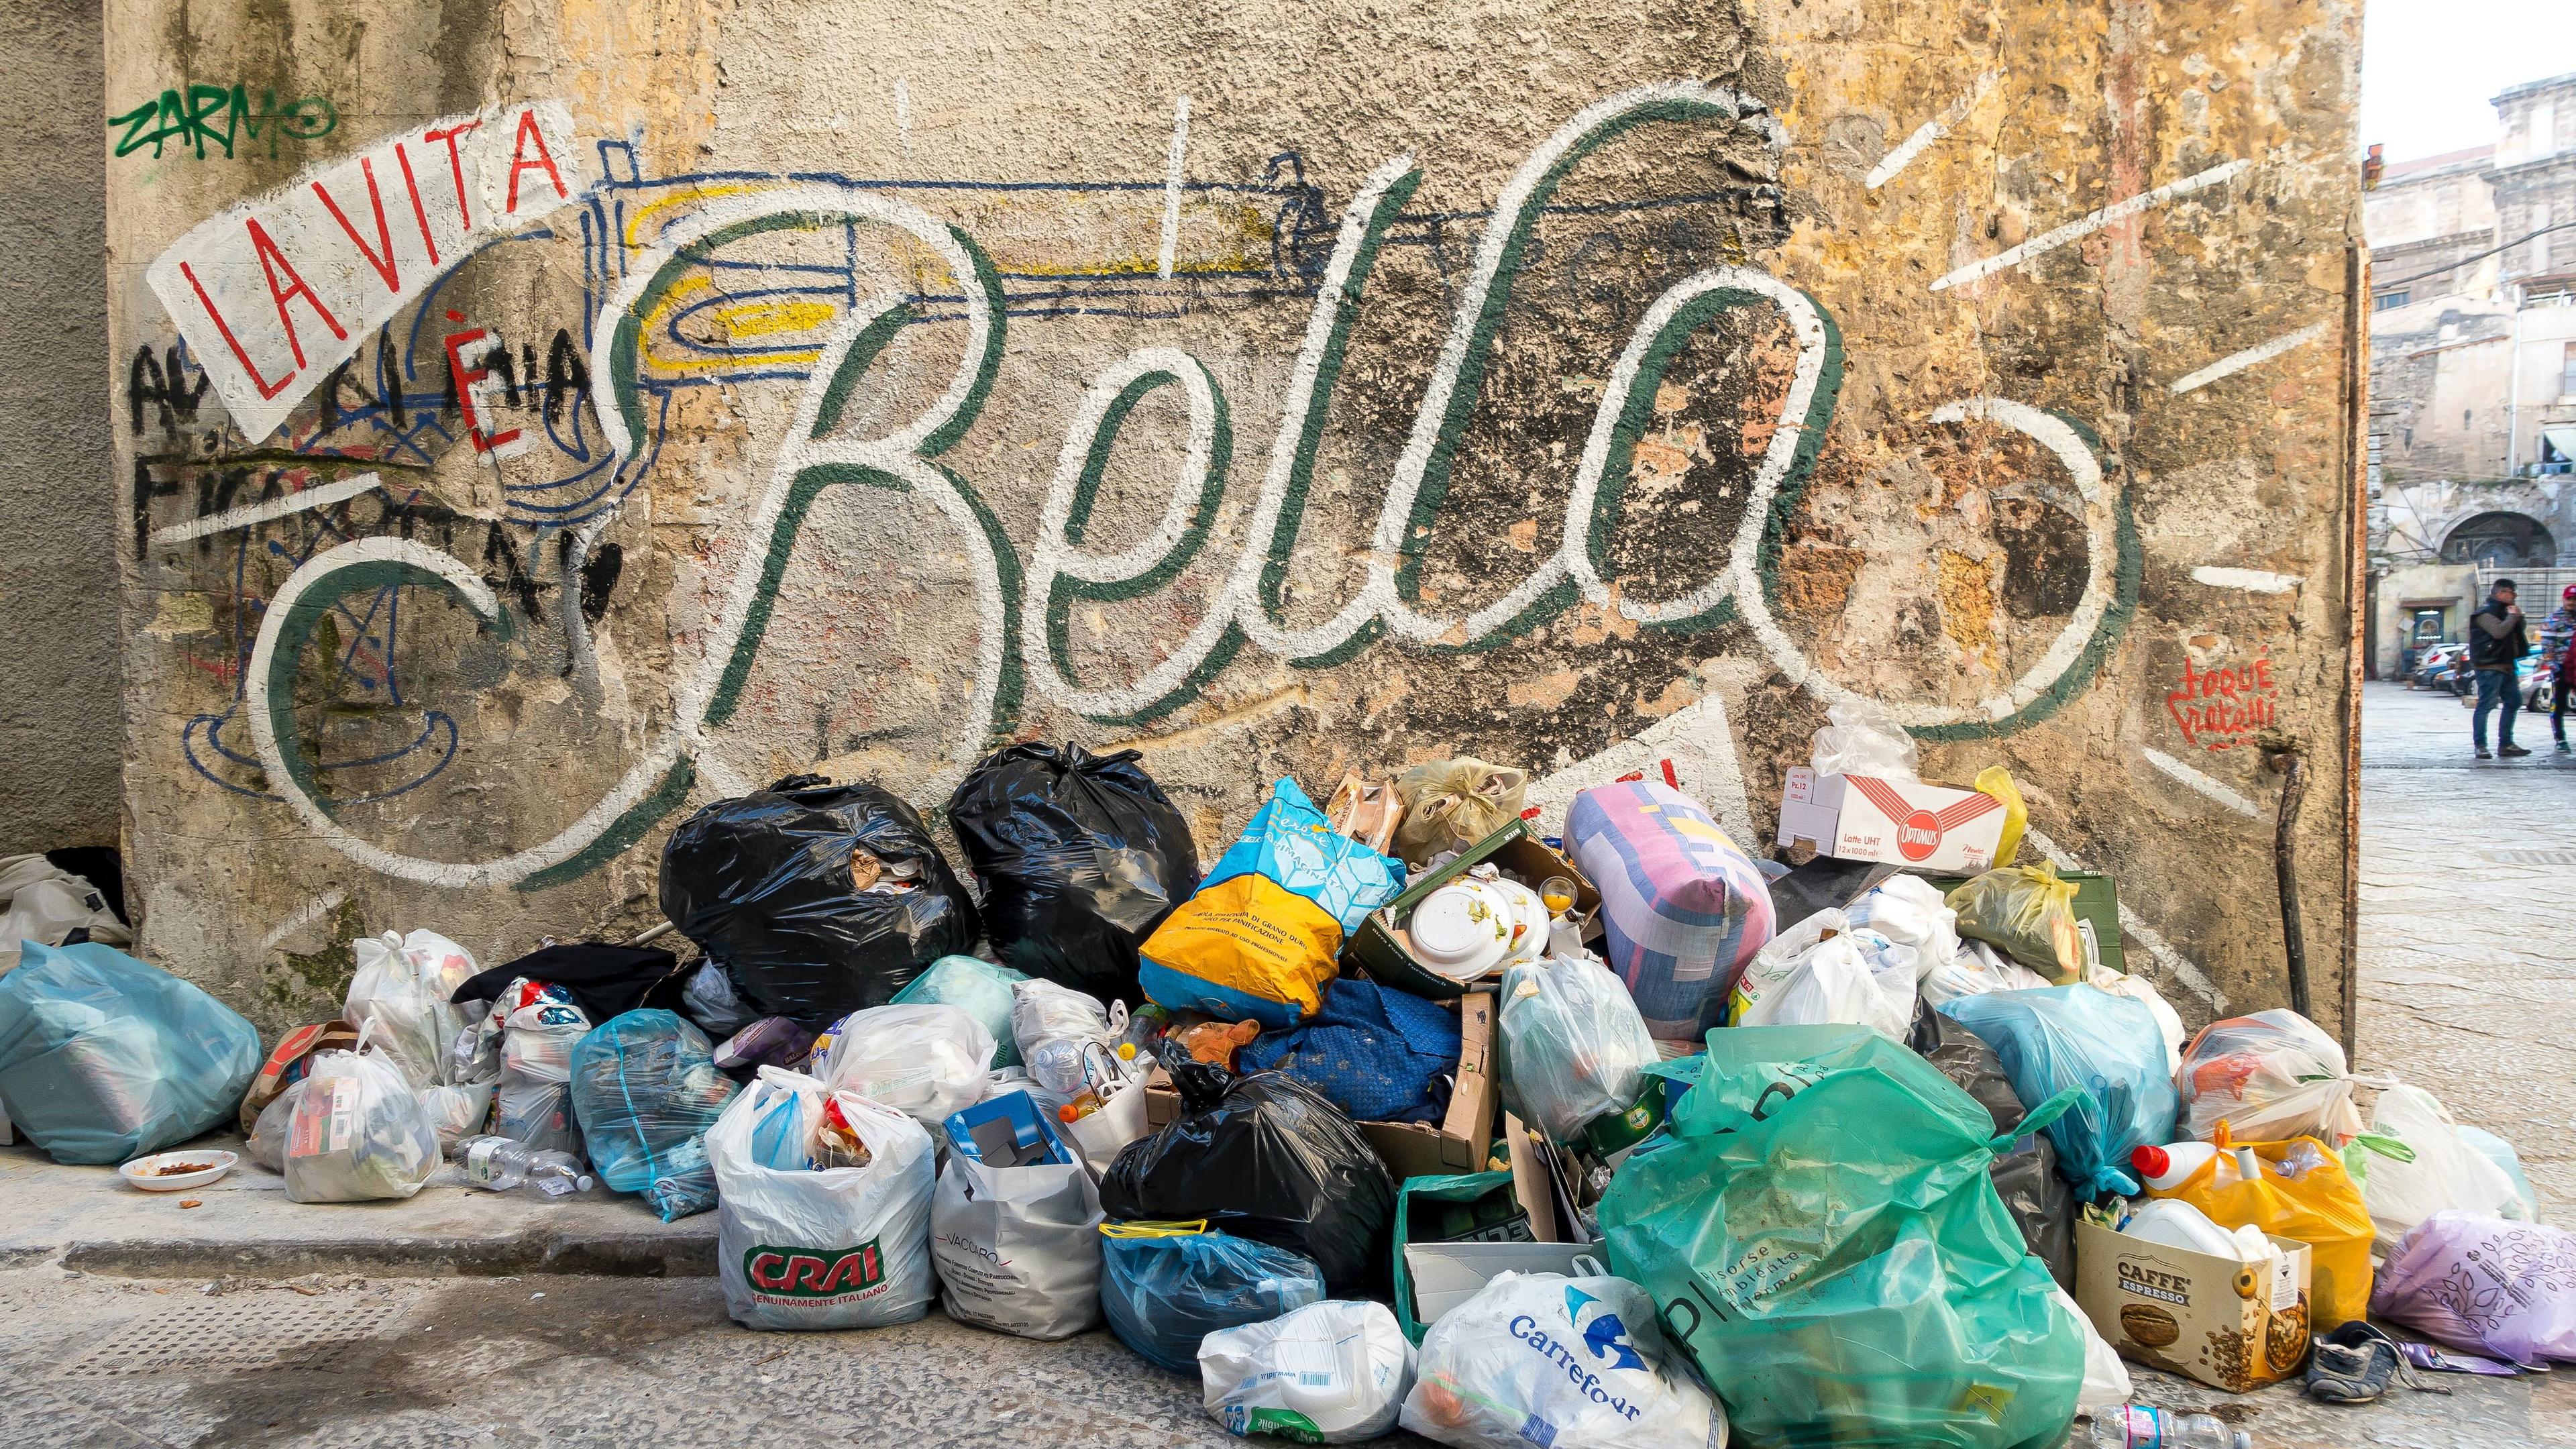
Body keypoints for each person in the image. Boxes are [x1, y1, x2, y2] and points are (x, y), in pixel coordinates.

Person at [2469, 578, 2532, 759]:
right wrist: (2513, 616)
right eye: (2511, 593)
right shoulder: (2484, 613)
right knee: (2486, 704)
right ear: (2500, 593)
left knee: (2514, 701)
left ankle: (2506, 744)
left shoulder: (2505, 612)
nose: (2514, 596)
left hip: (2506, 665)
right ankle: (2480, 745)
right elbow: (2499, 632)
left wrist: (2518, 618)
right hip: (2489, 665)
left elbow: (2516, 633)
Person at [2545, 585, 2576, 753]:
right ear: (2564, 599)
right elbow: (2547, 648)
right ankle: (2560, 738)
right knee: (2559, 703)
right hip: (2562, 668)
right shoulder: (2554, 621)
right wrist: (2555, 669)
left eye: (2575, 599)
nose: (2572, 602)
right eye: (2569, 599)